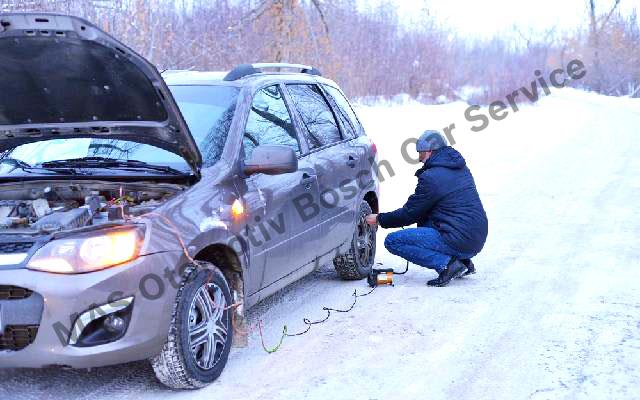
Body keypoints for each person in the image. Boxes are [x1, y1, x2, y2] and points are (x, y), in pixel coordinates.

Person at [365, 130, 488, 287]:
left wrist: (379, 219)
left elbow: (410, 213)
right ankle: (464, 262)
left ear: (430, 151)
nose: (419, 158)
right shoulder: (459, 168)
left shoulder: (432, 177)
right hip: (476, 237)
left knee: (393, 241)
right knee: (426, 219)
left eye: (420, 153)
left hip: (459, 239)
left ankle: (447, 265)